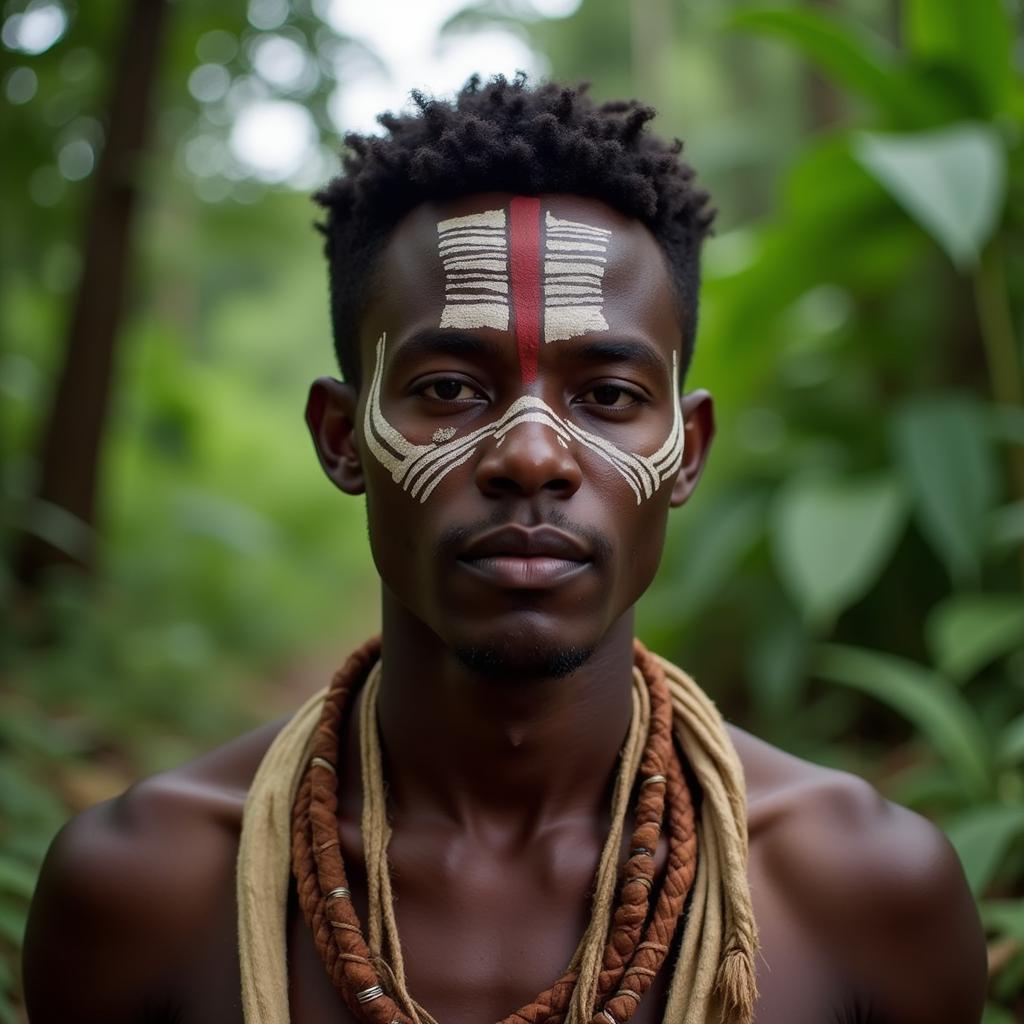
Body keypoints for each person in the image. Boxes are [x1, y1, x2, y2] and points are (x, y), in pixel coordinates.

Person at [23, 75, 986, 1024]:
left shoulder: (864, 892)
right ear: (341, 436)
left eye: (607, 396)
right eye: (449, 388)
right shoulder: (146, 888)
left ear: (686, 452)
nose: (532, 455)